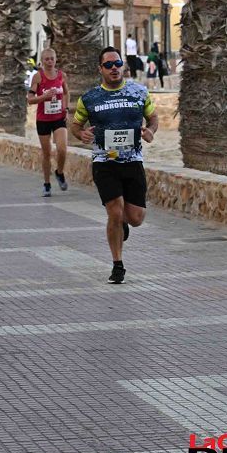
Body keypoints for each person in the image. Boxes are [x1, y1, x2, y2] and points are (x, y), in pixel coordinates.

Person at [69, 47, 158, 285]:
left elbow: (153, 118)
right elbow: (75, 125)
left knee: (136, 218)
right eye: (108, 65)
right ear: (100, 69)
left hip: (133, 161)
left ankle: (124, 224)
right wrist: (81, 134)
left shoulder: (139, 92)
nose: (114, 68)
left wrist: (150, 131)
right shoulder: (89, 98)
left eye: (117, 63)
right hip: (104, 162)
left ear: (123, 65)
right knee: (115, 212)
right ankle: (118, 265)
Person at [26, 47, 69, 197]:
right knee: (47, 153)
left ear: (56, 59)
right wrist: (44, 97)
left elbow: (66, 92)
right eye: (47, 59)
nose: (50, 61)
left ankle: (59, 172)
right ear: (42, 61)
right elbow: (30, 100)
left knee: (62, 149)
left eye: (52, 58)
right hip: (43, 120)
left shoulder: (61, 75)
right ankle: (47, 184)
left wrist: (67, 108)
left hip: (59, 118)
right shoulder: (38, 77)